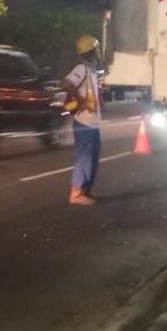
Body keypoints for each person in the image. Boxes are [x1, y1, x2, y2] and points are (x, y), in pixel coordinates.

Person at [62, 35, 104, 206]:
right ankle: (76, 193)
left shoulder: (92, 69)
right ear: (91, 51)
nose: (98, 52)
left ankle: (85, 191)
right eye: (96, 49)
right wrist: (80, 100)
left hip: (92, 122)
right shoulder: (81, 68)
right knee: (84, 158)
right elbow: (66, 84)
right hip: (84, 122)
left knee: (92, 158)